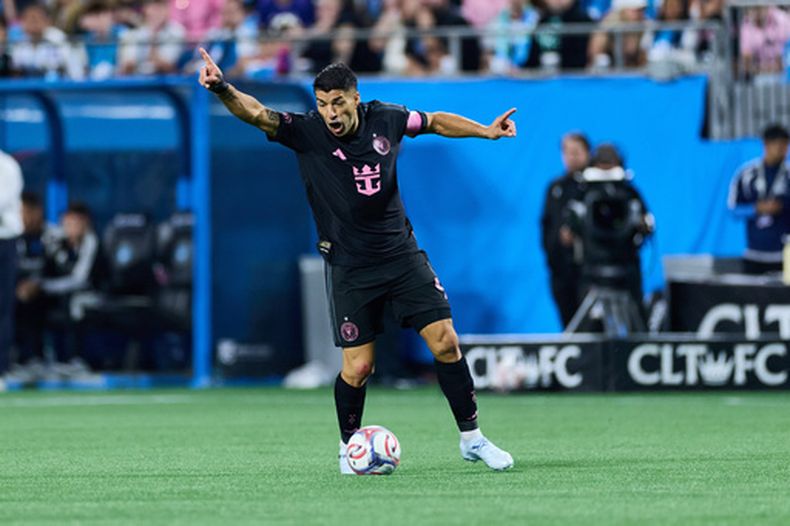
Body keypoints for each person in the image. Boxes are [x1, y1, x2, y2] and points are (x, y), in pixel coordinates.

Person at [198, 49, 516, 472]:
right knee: (359, 367)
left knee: (445, 341)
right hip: (350, 266)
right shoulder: (306, 132)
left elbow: (435, 120)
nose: (329, 112)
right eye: (323, 103)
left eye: (337, 103)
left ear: (355, 98)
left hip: (402, 255)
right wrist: (222, 86)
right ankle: (350, 447)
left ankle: (472, 439)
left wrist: (486, 132)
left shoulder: (387, 117)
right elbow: (257, 113)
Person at [540, 132, 590, 328]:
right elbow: (546, 226)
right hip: (561, 273)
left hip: (589, 273)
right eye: (567, 152)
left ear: (587, 152)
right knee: (568, 324)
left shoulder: (596, 187)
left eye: (577, 152)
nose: (572, 157)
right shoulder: (555, 188)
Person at [728, 124, 790, 274]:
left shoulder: (787, 175)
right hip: (754, 254)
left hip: (783, 255)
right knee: (752, 297)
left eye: (785, 145)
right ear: (766, 144)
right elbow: (732, 209)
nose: (782, 149)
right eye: (778, 144)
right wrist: (755, 209)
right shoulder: (747, 174)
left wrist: (782, 207)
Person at [0, 148, 23, 391]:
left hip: (3, 242)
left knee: (2, 307)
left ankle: (0, 370)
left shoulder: (6, 165)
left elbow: (2, 201)